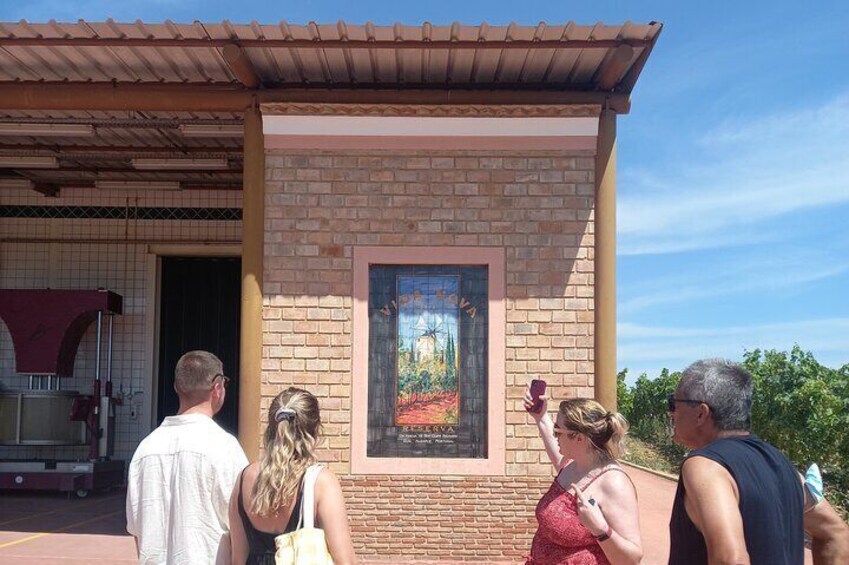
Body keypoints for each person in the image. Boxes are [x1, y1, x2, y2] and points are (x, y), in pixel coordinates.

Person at [668, 358, 849, 565]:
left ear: (701, 413)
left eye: (674, 403)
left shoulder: (706, 466)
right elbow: (835, 533)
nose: (671, 413)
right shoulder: (785, 467)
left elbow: (731, 561)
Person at [126, 351, 248, 565]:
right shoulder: (224, 447)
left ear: (176, 387)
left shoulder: (145, 449)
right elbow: (242, 524)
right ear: (218, 387)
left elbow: (137, 528)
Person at [229, 386, 356, 565]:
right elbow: (345, 561)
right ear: (315, 430)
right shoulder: (321, 483)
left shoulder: (244, 479)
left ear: (271, 428)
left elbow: (237, 560)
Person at [524, 383, 643, 565]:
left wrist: (600, 529)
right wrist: (540, 416)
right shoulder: (572, 466)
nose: (555, 436)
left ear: (579, 438)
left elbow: (632, 559)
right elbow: (553, 444)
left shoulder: (613, 482)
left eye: (558, 431)